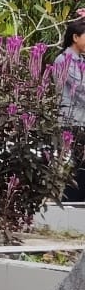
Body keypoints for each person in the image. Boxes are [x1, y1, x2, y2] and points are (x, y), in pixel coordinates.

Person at [56, 17, 85, 201]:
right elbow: (81, 89)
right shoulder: (63, 60)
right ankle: (71, 203)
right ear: (75, 37)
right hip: (71, 120)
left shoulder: (80, 60)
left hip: (81, 119)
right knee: (78, 164)